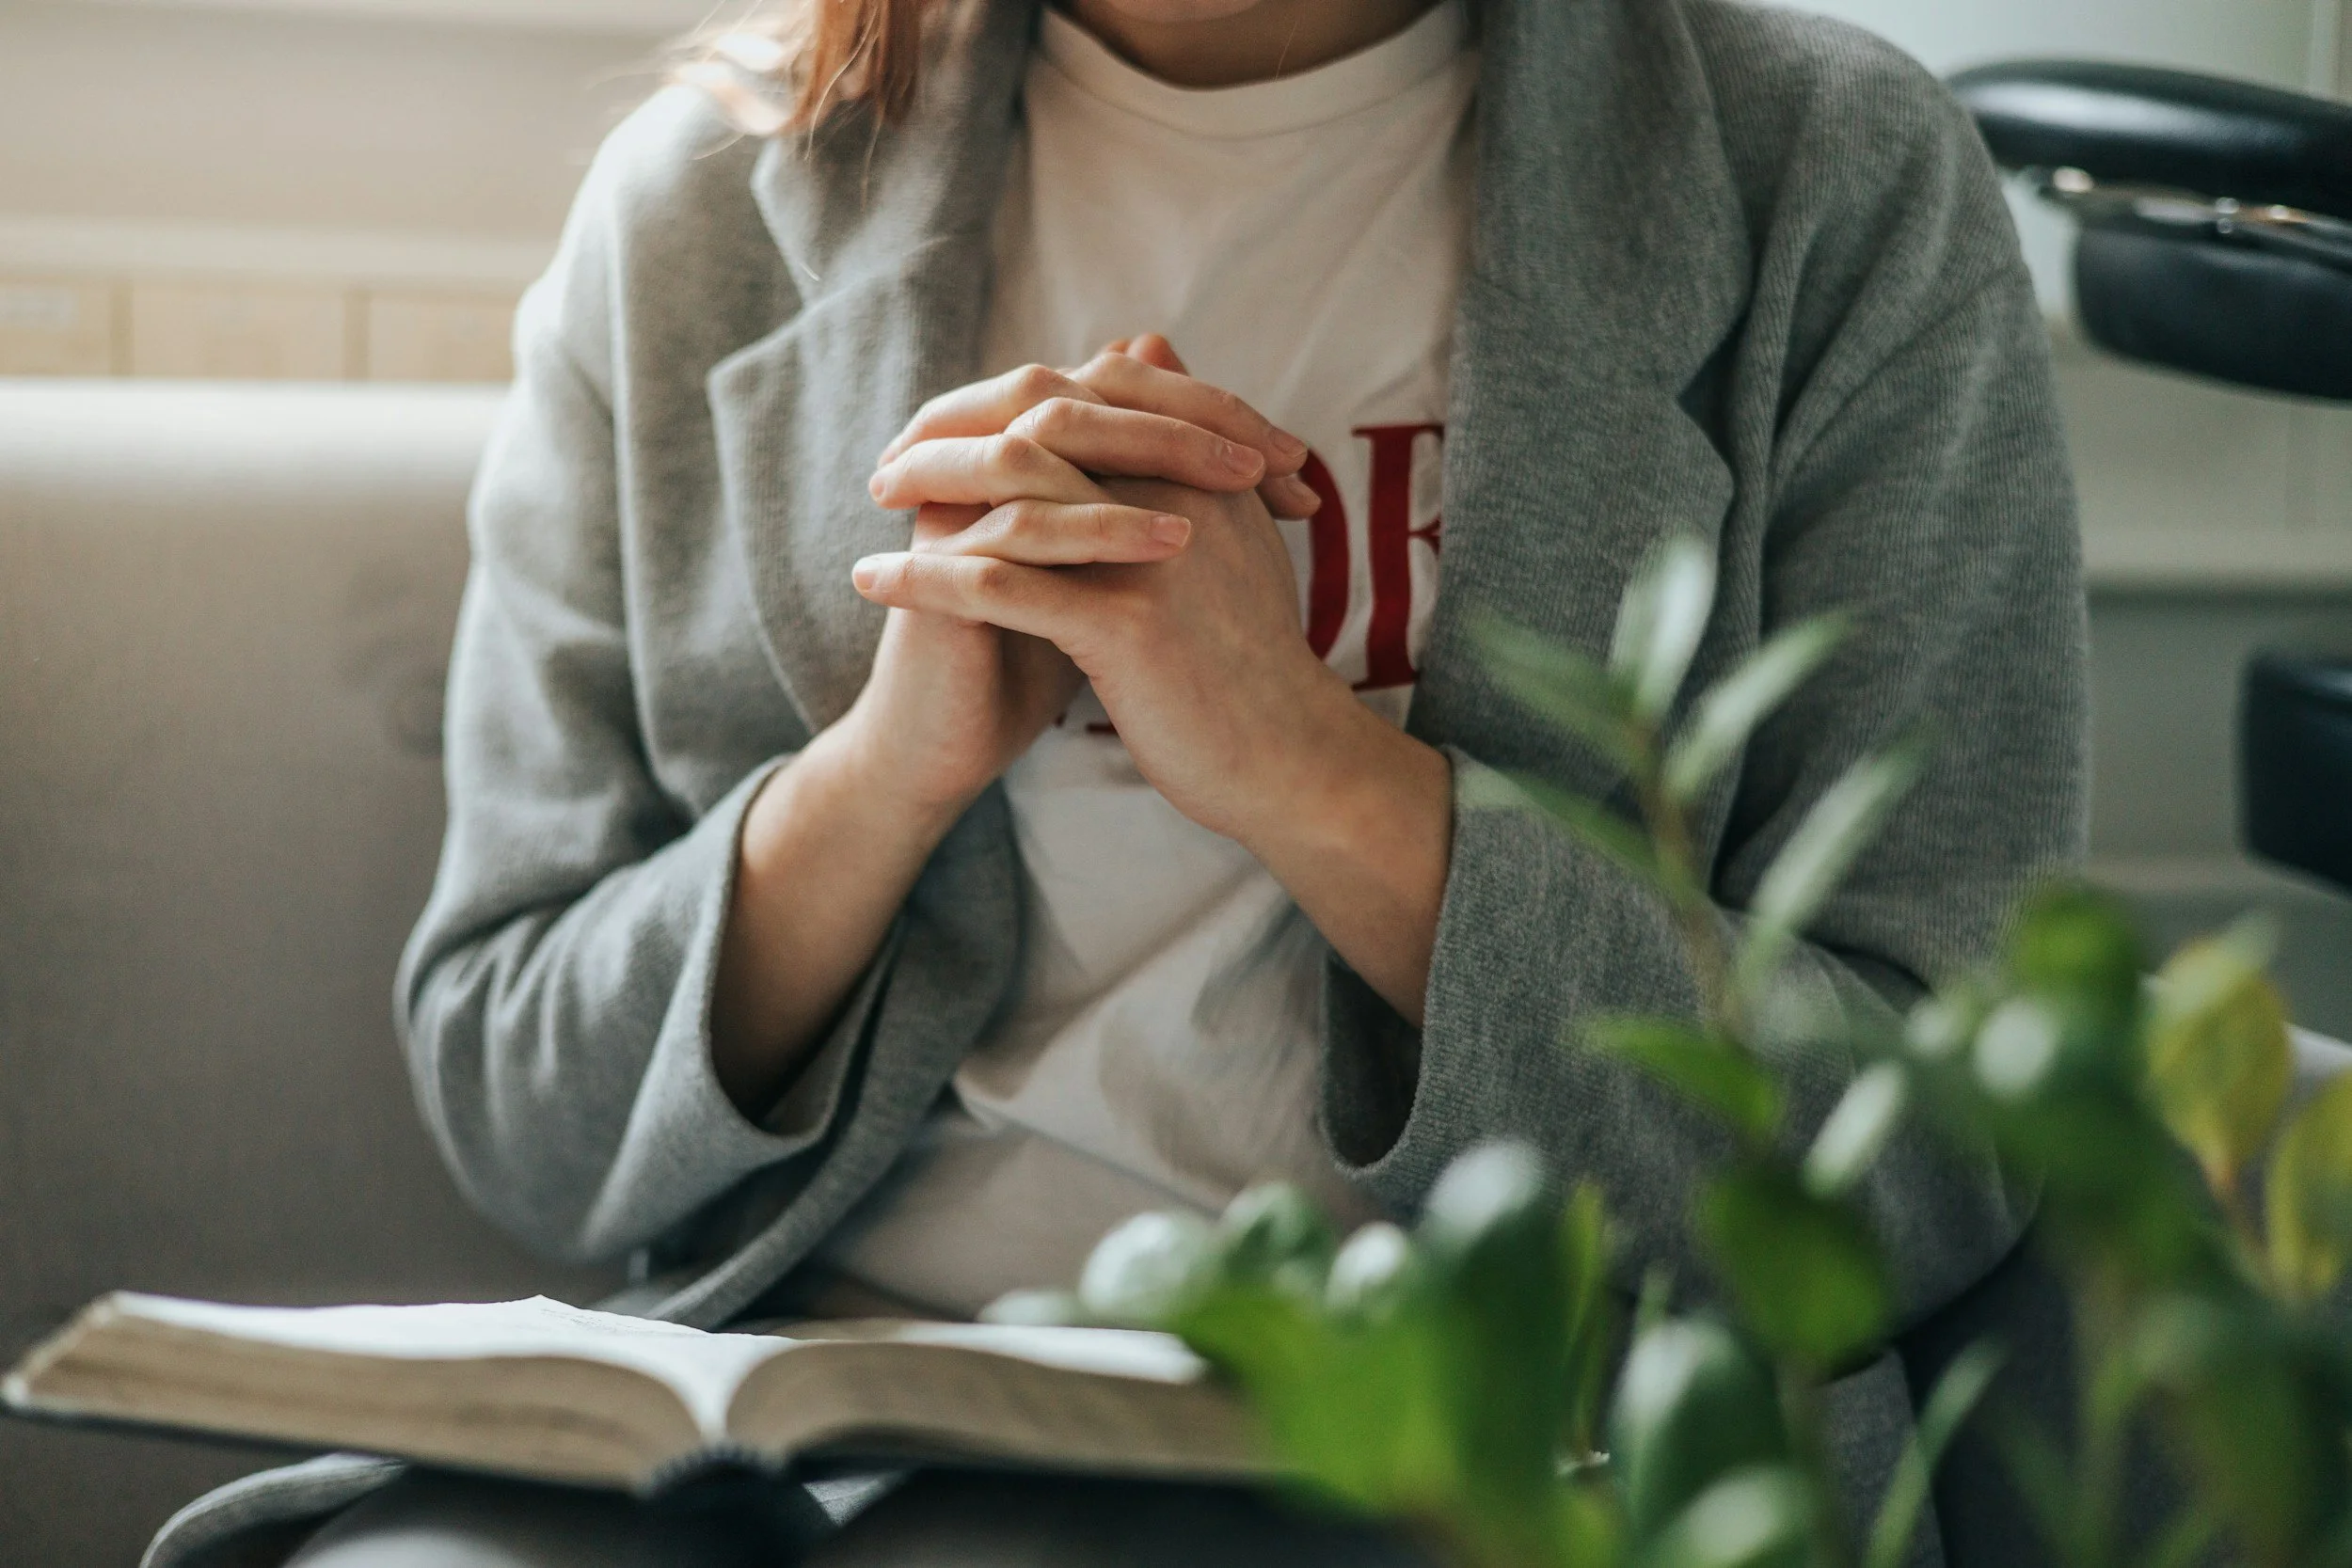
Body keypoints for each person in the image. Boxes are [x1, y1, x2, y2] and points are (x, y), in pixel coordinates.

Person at [145, 0, 2086, 1561]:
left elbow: (1930, 1152)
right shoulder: (694, 213)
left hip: (1496, 1433)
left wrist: (1309, 767)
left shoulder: (1828, 176)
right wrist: (878, 777)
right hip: (792, 1412)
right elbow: (522, 1100)